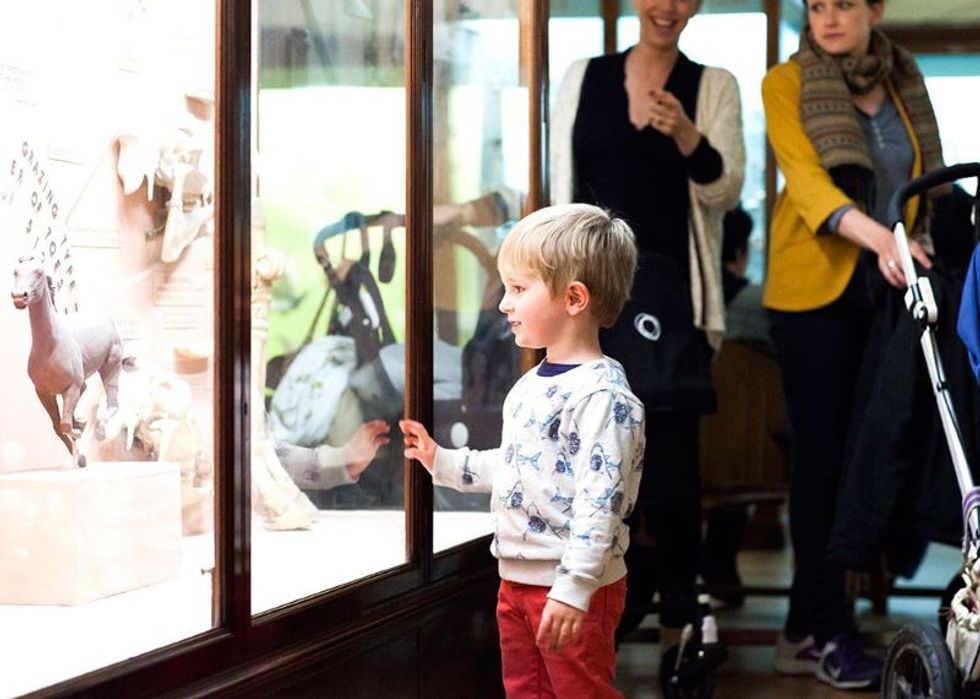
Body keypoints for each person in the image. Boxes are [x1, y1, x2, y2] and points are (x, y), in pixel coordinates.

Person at [550, 0, 745, 656]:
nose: (668, 7)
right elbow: (559, 187)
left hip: (672, 297)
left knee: (670, 463)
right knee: (589, 454)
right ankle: (602, 602)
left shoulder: (713, 83)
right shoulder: (583, 76)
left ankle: (679, 624)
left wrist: (688, 135)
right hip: (592, 295)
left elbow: (727, 191)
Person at [762, 0, 944, 689]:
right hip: (812, 294)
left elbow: (921, 177)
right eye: (815, 7)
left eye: (843, 4)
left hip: (889, 292)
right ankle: (824, 628)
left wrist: (917, 238)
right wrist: (885, 239)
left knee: (879, 453)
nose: (828, 19)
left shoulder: (905, 77)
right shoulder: (785, 82)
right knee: (824, 463)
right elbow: (808, 187)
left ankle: (805, 624)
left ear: (876, 9)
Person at [400, 204, 646, 698]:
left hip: (575, 585)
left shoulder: (603, 398)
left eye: (518, 289)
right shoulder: (530, 385)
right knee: (525, 691)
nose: (503, 305)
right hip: (515, 579)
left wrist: (576, 588)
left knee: (580, 691)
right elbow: (520, 465)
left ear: (574, 297)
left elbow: (601, 502)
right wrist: (441, 461)